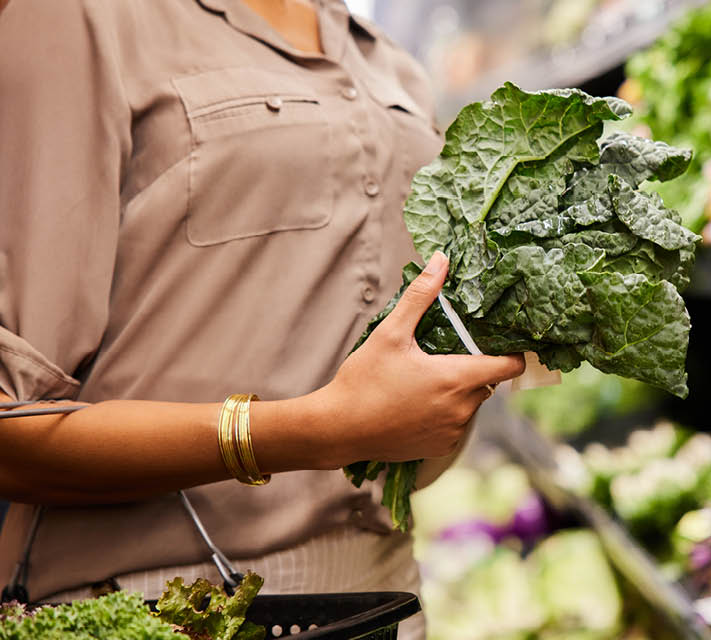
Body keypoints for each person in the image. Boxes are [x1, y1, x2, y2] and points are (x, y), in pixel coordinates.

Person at [0, 1, 525, 636]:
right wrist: (315, 430)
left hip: (384, 596)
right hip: (158, 606)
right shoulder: (78, 16)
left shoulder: (389, 64)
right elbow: (11, 430)